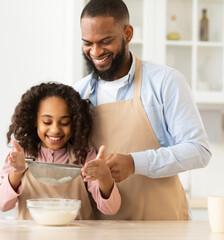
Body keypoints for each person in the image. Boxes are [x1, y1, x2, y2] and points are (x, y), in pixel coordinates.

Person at [74, 0, 211, 220]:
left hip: (161, 226)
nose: (96, 51)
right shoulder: (78, 94)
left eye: (105, 41)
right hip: (104, 230)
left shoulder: (165, 82)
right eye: (87, 43)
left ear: (128, 33)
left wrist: (135, 163)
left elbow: (199, 150)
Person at [0, 82, 121, 220]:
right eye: (47, 122)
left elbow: (111, 209)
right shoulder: (21, 153)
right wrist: (16, 172)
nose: (55, 130)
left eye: (64, 123)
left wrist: (104, 177)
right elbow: (2, 205)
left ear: (74, 123)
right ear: (35, 121)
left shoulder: (84, 156)